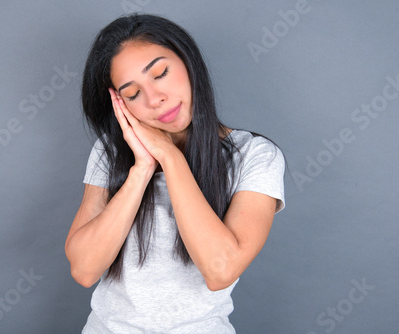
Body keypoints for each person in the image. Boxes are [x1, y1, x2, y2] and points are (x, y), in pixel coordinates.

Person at [65, 13, 285, 333]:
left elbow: (220, 270)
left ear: (188, 62)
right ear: (119, 104)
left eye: (161, 73)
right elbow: (84, 270)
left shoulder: (255, 156)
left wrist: (170, 156)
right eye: (132, 93)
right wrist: (141, 169)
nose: (155, 99)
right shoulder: (110, 152)